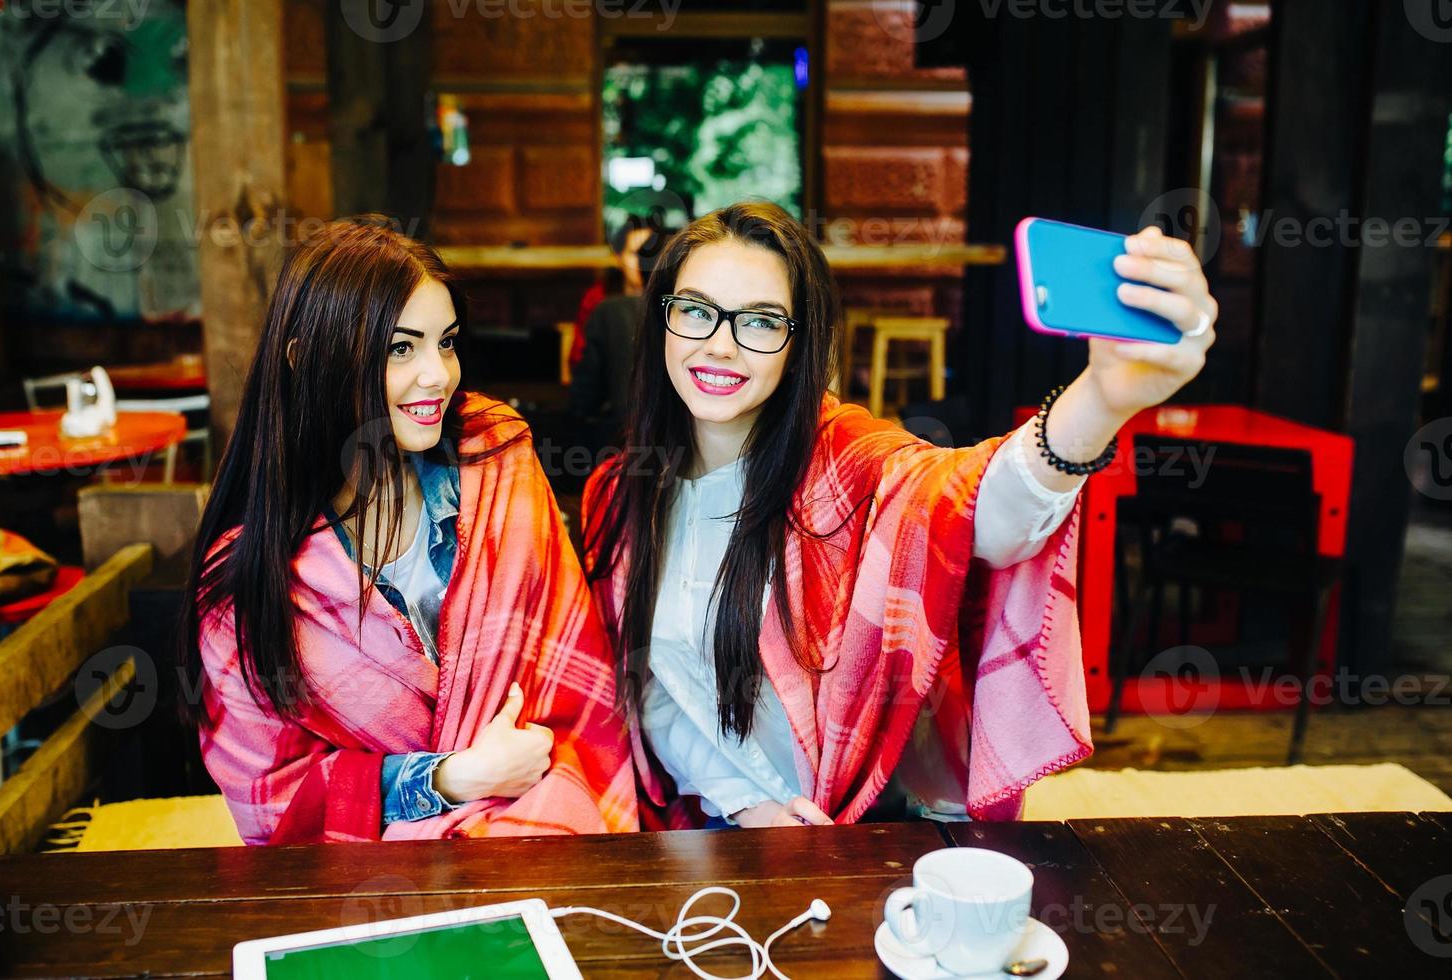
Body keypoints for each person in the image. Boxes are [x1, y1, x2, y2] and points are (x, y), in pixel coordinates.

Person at [582, 202, 1216, 828]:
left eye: (762, 321)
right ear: (658, 320)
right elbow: (650, 691)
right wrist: (747, 805)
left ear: (801, 346)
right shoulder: (618, 492)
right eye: (695, 311)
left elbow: (974, 511)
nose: (720, 345)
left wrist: (1102, 399)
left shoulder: (847, 463)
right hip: (713, 816)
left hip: (877, 822)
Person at [179, 217, 636, 844]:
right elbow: (273, 796)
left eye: (445, 343)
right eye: (401, 348)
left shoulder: (495, 458)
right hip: (378, 872)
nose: (437, 376)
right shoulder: (248, 582)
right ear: (306, 360)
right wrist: (452, 778)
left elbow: (575, 671)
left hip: (550, 805)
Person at [570, 227, 675, 423]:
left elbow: (584, 396)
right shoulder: (599, 299)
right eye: (636, 253)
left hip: (621, 432)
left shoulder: (609, 310)